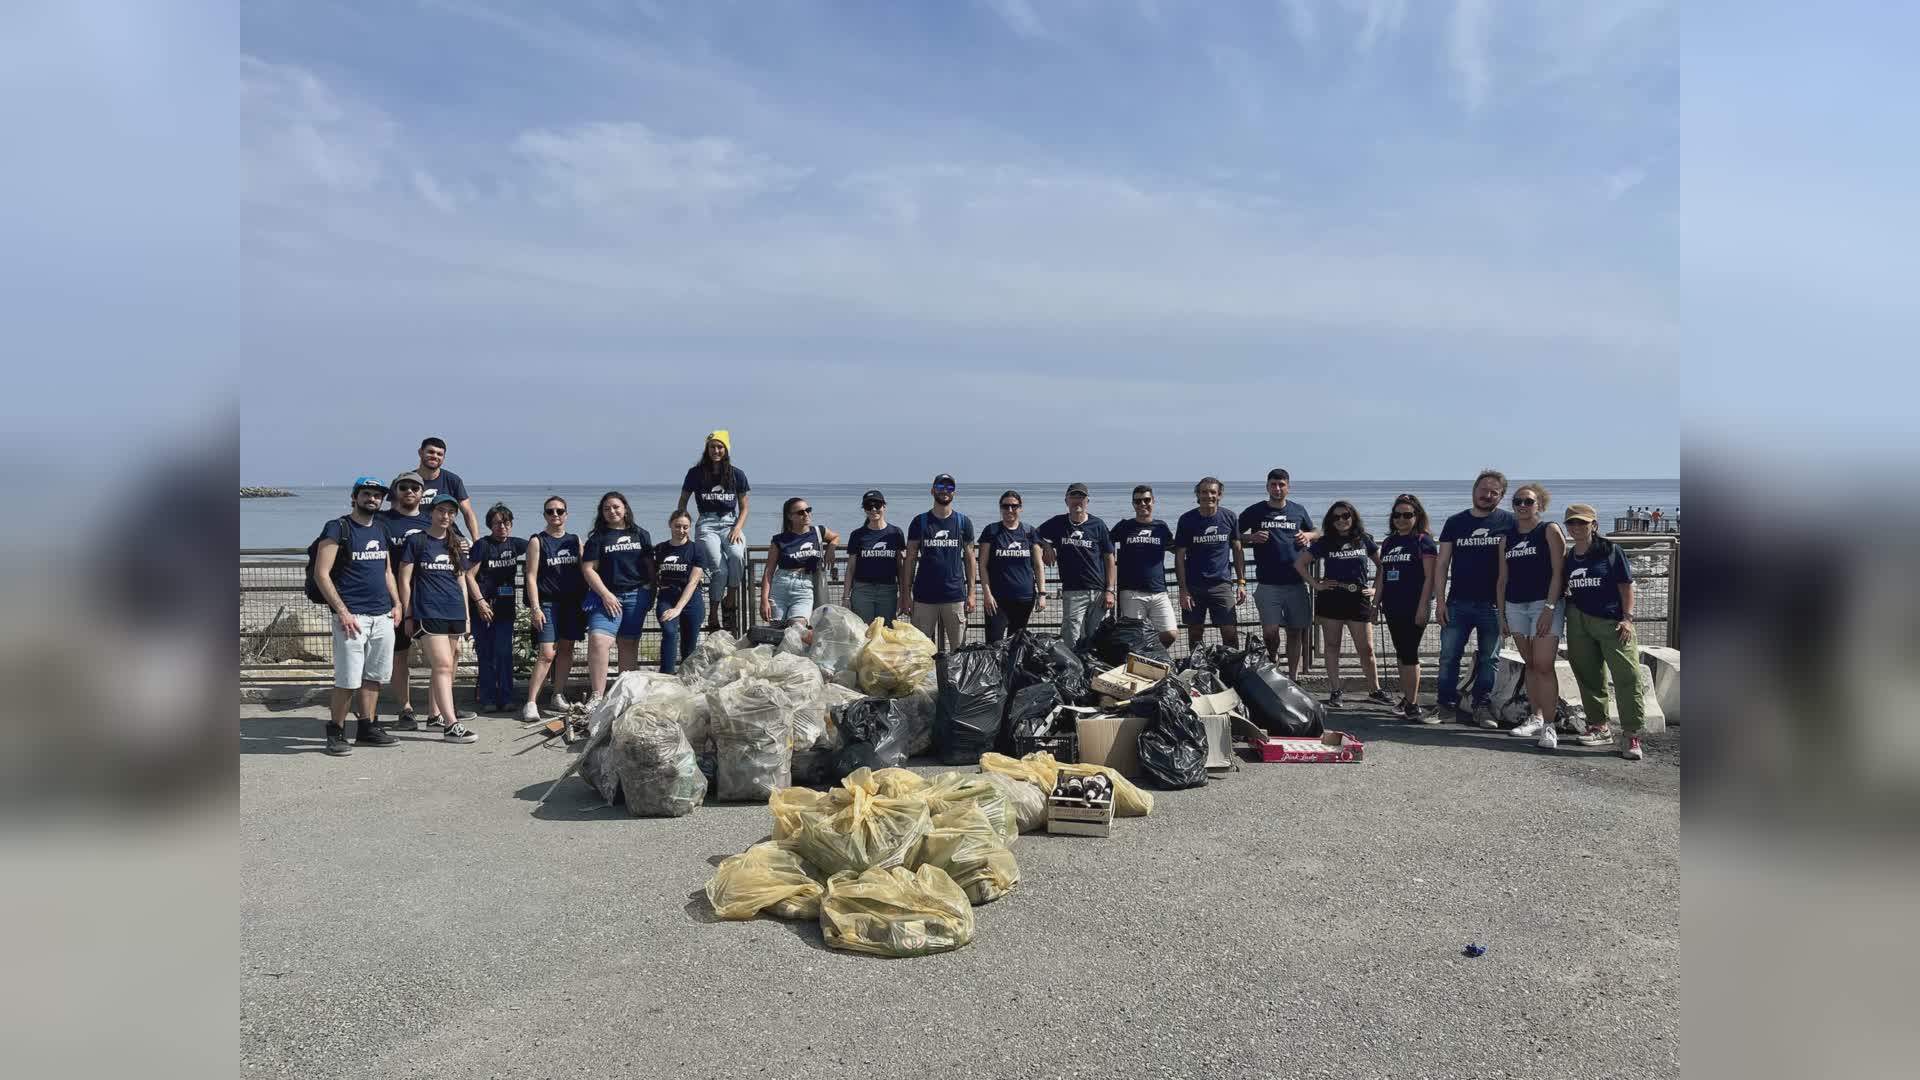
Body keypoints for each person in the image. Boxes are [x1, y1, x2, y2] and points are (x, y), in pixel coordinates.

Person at [311, 476, 402, 756]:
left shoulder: (382, 529)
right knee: (348, 679)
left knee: (374, 676)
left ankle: (367, 727)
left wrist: (396, 603)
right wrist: (342, 611)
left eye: (377, 495)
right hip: (352, 617)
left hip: (382, 615)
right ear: (354, 497)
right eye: (366, 494)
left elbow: (387, 571)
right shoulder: (338, 528)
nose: (372, 499)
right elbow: (321, 573)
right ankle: (336, 731)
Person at [1561, 503, 1648, 760]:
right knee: (1588, 675)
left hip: (1612, 622)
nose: (1577, 527)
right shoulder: (1569, 557)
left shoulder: (1611, 551)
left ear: (1593, 525)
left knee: (1627, 675)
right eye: (1572, 523)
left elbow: (1626, 586)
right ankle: (1598, 726)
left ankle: (1631, 733)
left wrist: (1628, 618)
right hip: (1578, 620)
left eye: (1582, 523)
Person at [1434, 469, 1516, 727]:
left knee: (1489, 658)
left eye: (1494, 492)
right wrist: (1440, 601)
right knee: (1449, 656)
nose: (1487, 495)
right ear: (1474, 489)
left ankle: (1482, 707)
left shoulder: (1509, 522)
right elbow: (1442, 563)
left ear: (1501, 497)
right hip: (1458, 602)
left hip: (1494, 605)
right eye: (1484, 489)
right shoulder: (1455, 522)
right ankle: (1445, 706)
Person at [397, 492, 478, 743]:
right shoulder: (417, 541)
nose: (446, 516)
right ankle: (451, 724)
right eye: (441, 511)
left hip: (454, 610)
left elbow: (462, 580)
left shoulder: (455, 542)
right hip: (428, 610)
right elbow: (405, 579)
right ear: (431, 513)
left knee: (450, 662)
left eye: (451, 512)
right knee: (442, 664)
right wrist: (408, 613)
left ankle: (435, 715)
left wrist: (466, 615)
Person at [1496, 483, 1567, 748]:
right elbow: (1502, 580)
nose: (1522, 506)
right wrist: (1501, 614)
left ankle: (1550, 725)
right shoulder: (1506, 538)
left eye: (1528, 501)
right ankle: (1535, 718)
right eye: (1517, 501)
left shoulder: (1549, 530)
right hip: (1515, 606)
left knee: (1544, 665)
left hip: (1543, 605)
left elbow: (1558, 572)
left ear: (1540, 504)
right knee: (1531, 664)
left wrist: (1549, 608)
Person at [1301, 501, 1386, 707]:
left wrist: (1375, 589)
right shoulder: (1325, 541)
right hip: (1332, 599)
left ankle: (1374, 690)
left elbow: (1382, 566)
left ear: (1353, 517)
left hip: (1358, 598)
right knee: (1332, 647)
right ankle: (1335, 691)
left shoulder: (1364, 539)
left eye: (1345, 516)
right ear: (1331, 521)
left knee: (1366, 648)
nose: (1341, 520)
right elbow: (1299, 563)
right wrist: (1316, 585)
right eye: (1336, 517)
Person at [1239, 468, 1320, 680]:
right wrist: (1251, 538)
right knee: (1270, 631)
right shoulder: (1255, 511)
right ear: (1267, 487)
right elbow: (1233, 534)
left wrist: (1308, 535)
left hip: (1295, 583)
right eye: (1273, 484)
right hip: (1267, 584)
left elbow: (1318, 532)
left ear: (1288, 487)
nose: (1277, 488)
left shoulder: (1298, 510)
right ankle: (1273, 657)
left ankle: (1293, 677)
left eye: (1281, 484)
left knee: (1295, 632)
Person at [580, 491, 654, 707]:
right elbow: (588, 569)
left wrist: (652, 591)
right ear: (601, 513)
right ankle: (597, 695)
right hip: (605, 597)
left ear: (625, 509)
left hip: (636, 595)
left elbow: (650, 566)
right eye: (606, 508)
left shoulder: (641, 534)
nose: (612, 511)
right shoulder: (598, 538)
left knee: (628, 644)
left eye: (615, 507)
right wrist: (605, 594)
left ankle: (626, 694)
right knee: (598, 641)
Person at [678, 431, 750, 633]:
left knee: (736, 555)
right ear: (706, 449)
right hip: (706, 523)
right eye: (712, 447)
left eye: (720, 447)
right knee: (720, 570)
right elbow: (683, 500)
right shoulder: (695, 473)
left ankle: (731, 600)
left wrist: (737, 527)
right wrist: (684, 524)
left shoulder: (737, 474)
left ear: (726, 449)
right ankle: (713, 613)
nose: (716, 450)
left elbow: (744, 507)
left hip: (730, 522)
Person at [1374, 493, 1438, 721]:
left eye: (1407, 515)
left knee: (1410, 654)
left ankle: (1413, 703)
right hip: (1392, 605)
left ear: (1417, 516)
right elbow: (1382, 574)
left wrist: (1423, 607)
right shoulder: (1390, 542)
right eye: (1397, 515)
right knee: (1401, 653)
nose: (1401, 519)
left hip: (1415, 605)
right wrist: (1375, 602)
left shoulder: (1423, 541)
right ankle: (1406, 697)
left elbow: (1430, 578)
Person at [520, 496, 585, 722]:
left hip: (572, 603)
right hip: (547, 603)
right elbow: (530, 575)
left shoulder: (575, 540)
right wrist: (535, 607)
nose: (555, 515)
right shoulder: (538, 541)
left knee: (566, 649)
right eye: (550, 511)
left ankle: (557, 694)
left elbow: (586, 569)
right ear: (545, 515)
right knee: (547, 653)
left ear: (566, 514)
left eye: (559, 511)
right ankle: (531, 702)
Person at [1036, 482, 1116, 652]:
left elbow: (1109, 558)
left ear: (1088, 501)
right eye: (1073, 496)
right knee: (1071, 636)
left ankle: (1094, 671)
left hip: (1098, 591)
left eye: (1081, 497)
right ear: (1066, 500)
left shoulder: (1098, 525)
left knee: (1097, 636)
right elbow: (1032, 534)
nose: (1077, 501)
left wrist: (1110, 590)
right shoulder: (1058, 523)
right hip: (1072, 590)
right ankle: (1074, 671)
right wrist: (1046, 545)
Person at [902, 473, 977, 651]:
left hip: (955, 596)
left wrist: (972, 593)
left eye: (949, 488)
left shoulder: (963, 522)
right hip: (924, 597)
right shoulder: (919, 522)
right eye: (940, 487)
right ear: (932, 490)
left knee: (959, 649)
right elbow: (910, 558)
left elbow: (970, 558)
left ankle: (954, 680)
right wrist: (906, 594)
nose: (945, 491)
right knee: (920, 650)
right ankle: (927, 680)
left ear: (954, 493)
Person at [464, 502, 526, 714]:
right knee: (486, 654)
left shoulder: (516, 545)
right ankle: (488, 697)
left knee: (504, 653)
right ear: (490, 525)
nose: (502, 527)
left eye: (506, 522)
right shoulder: (482, 545)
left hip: (505, 607)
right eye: (497, 523)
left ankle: (507, 697)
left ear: (511, 524)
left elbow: (539, 547)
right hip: (483, 606)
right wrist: (479, 602)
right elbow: (469, 575)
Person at [1174, 477, 1246, 650]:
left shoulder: (1229, 517)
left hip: (1221, 584)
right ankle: (1200, 670)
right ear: (1198, 494)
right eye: (1204, 492)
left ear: (1219, 495)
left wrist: (1241, 583)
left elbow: (1237, 550)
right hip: (1194, 586)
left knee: (1229, 632)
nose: (1209, 496)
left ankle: (1231, 670)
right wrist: (1183, 590)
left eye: (1213, 492)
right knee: (1195, 633)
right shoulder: (1187, 520)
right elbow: (1179, 556)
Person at [1110, 486, 1176, 648]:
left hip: (1159, 590)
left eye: (1146, 500)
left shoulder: (1161, 527)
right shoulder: (1124, 526)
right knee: (1134, 636)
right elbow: (1105, 546)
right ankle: (1141, 665)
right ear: (1133, 504)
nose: (1142, 504)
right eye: (1138, 501)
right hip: (1132, 592)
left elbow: (1176, 548)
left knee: (1170, 633)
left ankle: (1152, 654)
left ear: (1153, 501)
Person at [979, 490, 1046, 643]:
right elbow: (982, 565)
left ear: (1020, 508)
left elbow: (1038, 565)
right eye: (1005, 506)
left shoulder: (1029, 532)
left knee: (1016, 643)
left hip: (1024, 598)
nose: (1010, 510)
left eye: (1014, 506)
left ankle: (1012, 668)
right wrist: (987, 594)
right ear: (1000, 508)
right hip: (997, 600)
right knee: (994, 642)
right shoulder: (991, 531)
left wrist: (1042, 593)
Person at [761, 497, 836, 627]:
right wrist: (763, 600)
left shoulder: (818, 532)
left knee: (798, 627)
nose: (806, 514)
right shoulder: (779, 540)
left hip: (804, 587)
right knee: (777, 629)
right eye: (800, 512)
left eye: (808, 510)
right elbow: (769, 571)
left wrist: (831, 549)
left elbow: (835, 537)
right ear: (790, 516)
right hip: (781, 586)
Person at [654, 510, 707, 675]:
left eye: (685, 527)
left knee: (689, 644)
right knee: (670, 633)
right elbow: (652, 573)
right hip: (667, 597)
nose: (681, 530)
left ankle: (686, 679)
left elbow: (693, 582)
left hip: (691, 600)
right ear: (670, 525)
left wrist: (678, 608)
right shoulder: (661, 549)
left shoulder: (696, 549)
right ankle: (666, 675)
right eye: (677, 526)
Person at [843, 490, 906, 626]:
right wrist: (846, 597)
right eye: (868, 506)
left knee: (886, 630)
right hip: (862, 590)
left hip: (888, 590)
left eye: (877, 505)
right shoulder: (857, 535)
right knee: (863, 630)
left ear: (884, 506)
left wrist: (903, 594)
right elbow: (850, 568)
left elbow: (900, 567)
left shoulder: (896, 533)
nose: (873, 509)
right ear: (864, 509)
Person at [414, 436, 479, 542]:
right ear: (420, 452)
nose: (435, 456)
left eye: (439, 454)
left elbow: (468, 512)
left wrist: (476, 540)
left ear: (444, 458)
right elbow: (397, 512)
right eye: (431, 452)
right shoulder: (407, 482)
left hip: (450, 534)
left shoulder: (453, 480)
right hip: (418, 535)